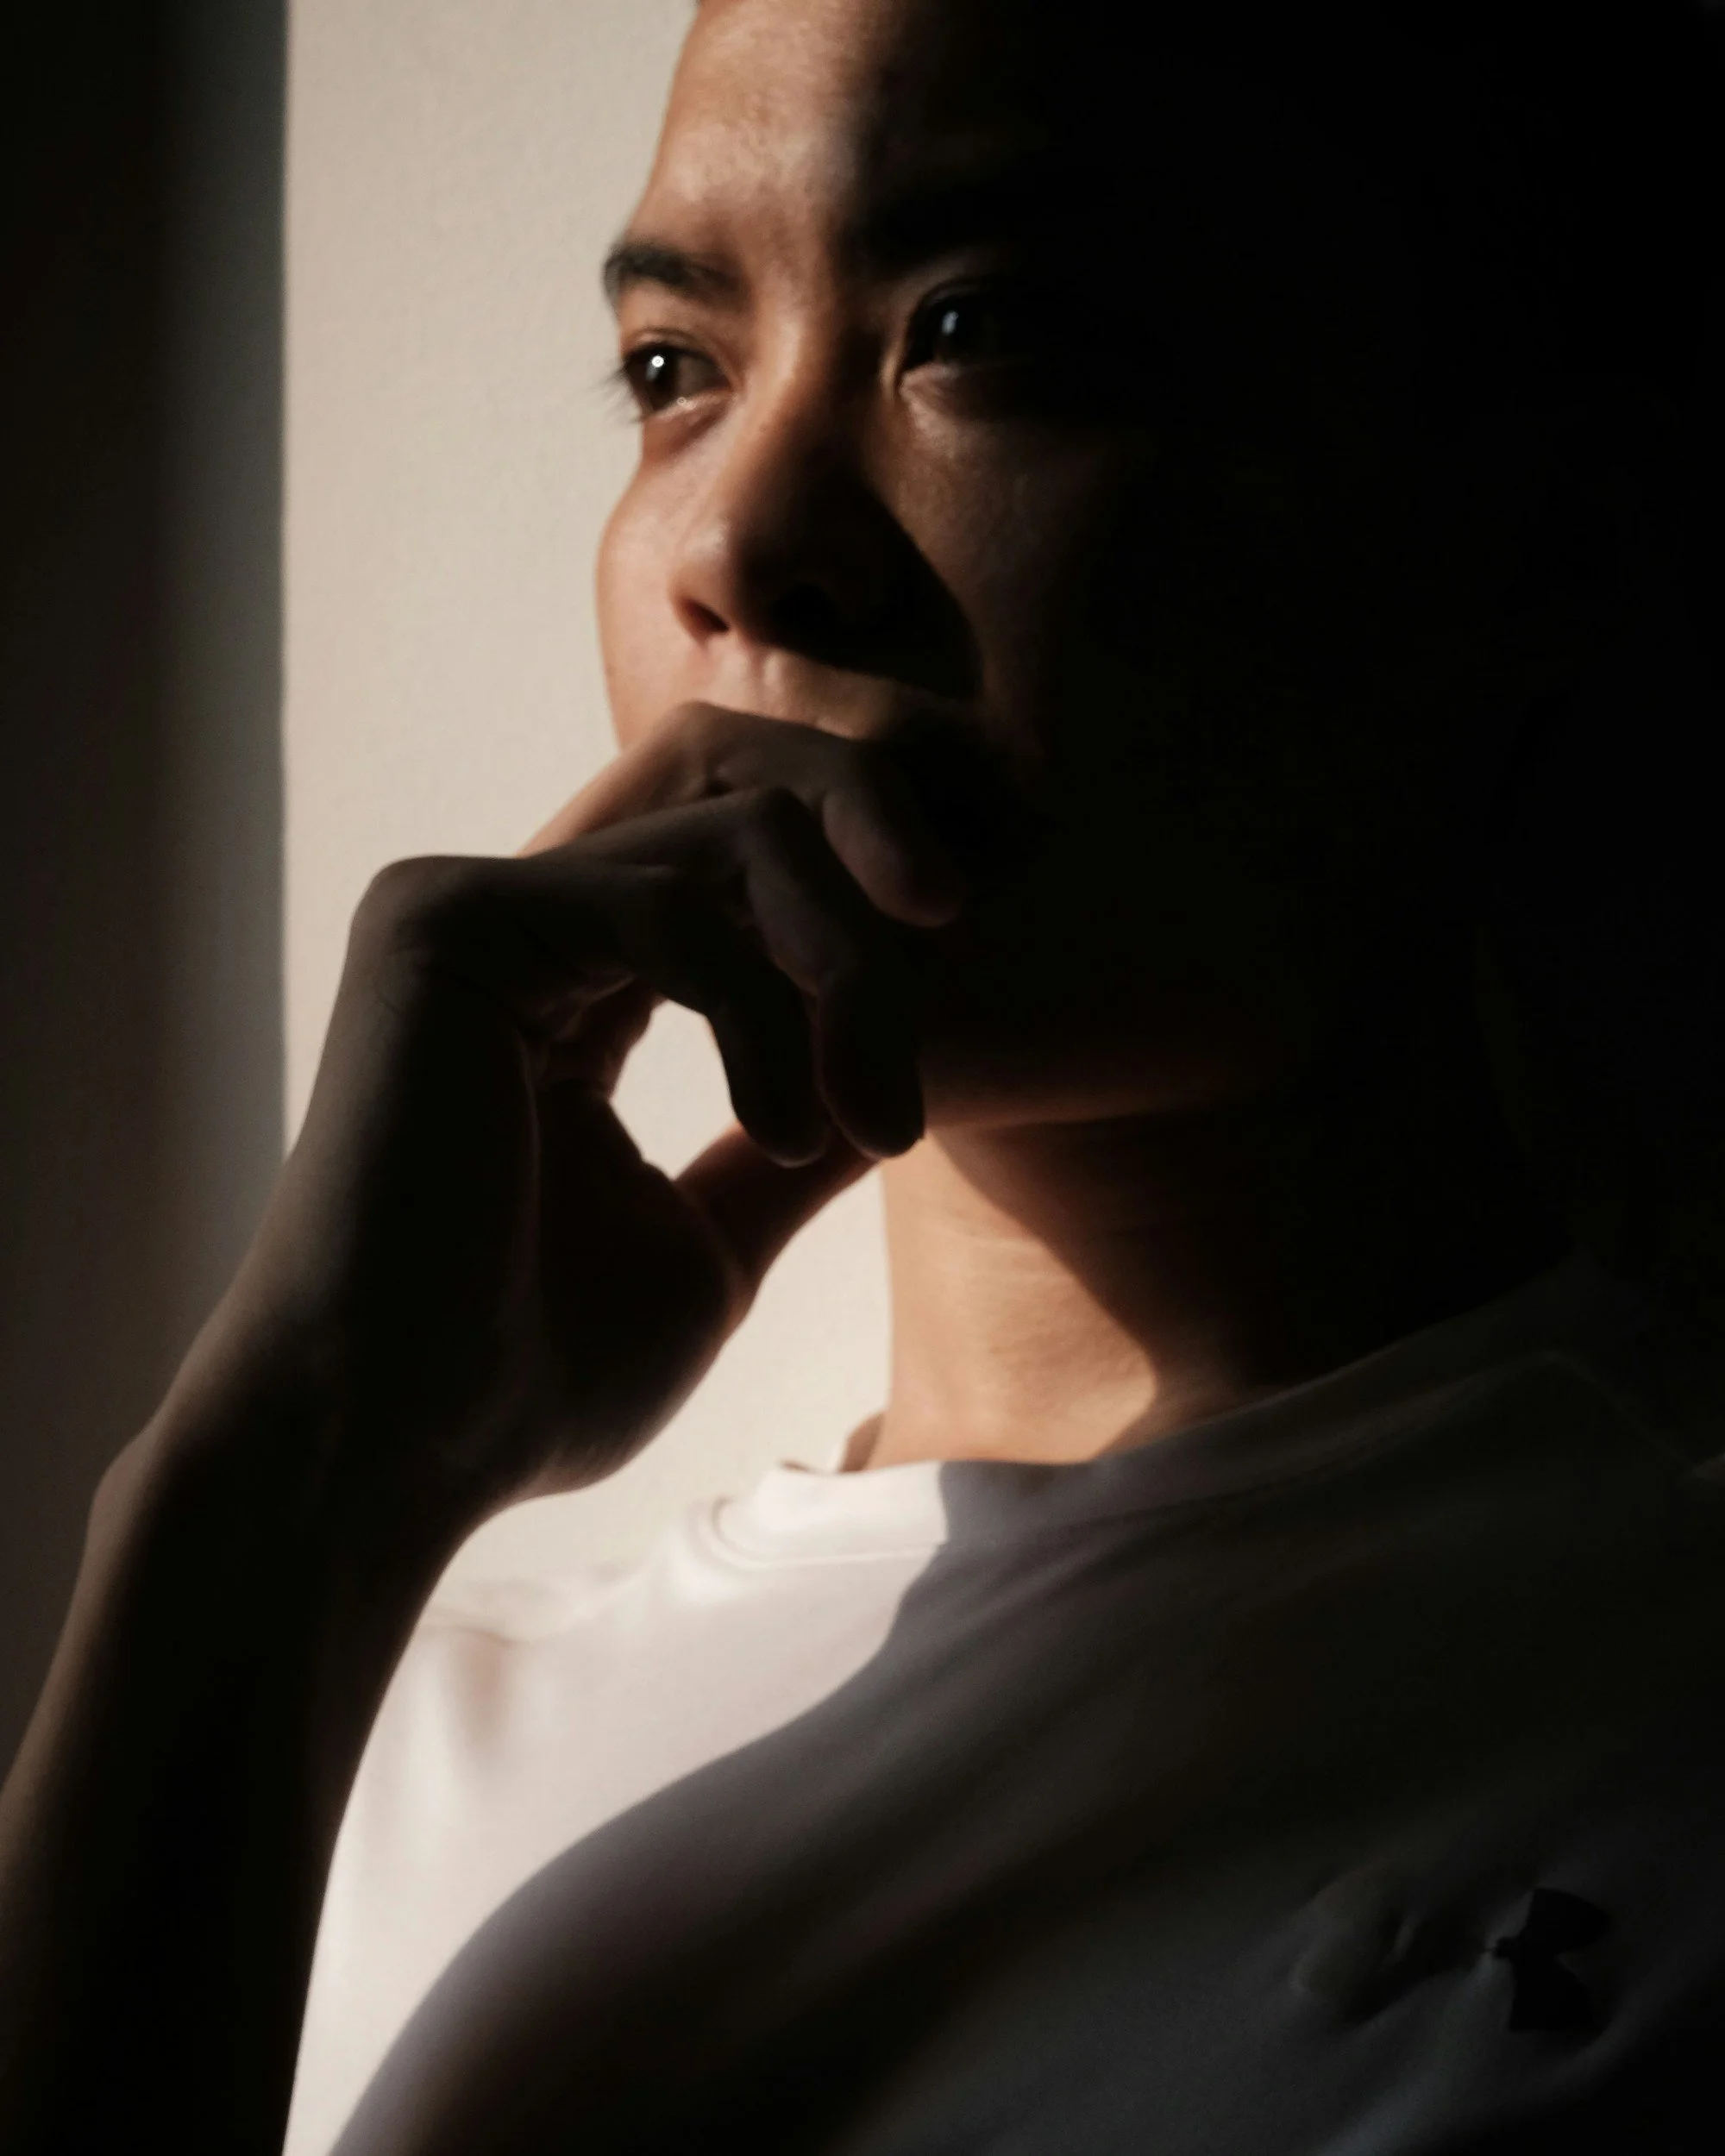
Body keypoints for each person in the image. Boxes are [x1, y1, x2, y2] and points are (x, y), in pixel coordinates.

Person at [3, 0, 1723, 2149]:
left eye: (968, 329)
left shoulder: (1650, 1696)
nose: (736, 541)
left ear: (1535, 533)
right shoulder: (342, 1767)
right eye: (672, 371)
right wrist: (287, 1477)